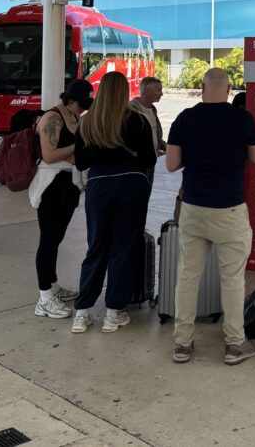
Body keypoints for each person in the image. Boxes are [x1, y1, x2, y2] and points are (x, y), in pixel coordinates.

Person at [166, 68, 255, 365]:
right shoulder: (243, 119)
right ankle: (234, 345)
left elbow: (171, 164)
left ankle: (182, 344)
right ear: (229, 89)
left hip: (194, 207)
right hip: (230, 210)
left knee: (187, 276)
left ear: (202, 88)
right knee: (232, 279)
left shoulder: (184, 118)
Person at [71, 71, 156, 334]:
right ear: (123, 92)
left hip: (99, 186)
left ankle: (82, 313)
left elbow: (81, 162)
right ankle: (112, 313)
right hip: (131, 185)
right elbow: (150, 159)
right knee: (124, 246)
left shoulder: (87, 123)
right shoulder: (138, 121)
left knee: (96, 246)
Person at [32, 79, 94, 320]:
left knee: (56, 238)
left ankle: (53, 285)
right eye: (81, 104)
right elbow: (48, 155)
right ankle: (44, 298)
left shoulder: (75, 117)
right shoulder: (52, 118)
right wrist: (79, 145)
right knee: (47, 240)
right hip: (52, 185)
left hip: (69, 184)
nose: (83, 108)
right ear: (70, 99)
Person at [129, 76, 166, 188]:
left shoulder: (152, 109)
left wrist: (165, 146)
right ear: (147, 91)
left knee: (145, 195)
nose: (162, 94)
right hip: (135, 164)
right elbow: (129, 140)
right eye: (158, 90)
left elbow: (154, 135)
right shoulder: (130, 110)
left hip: (150, 162)